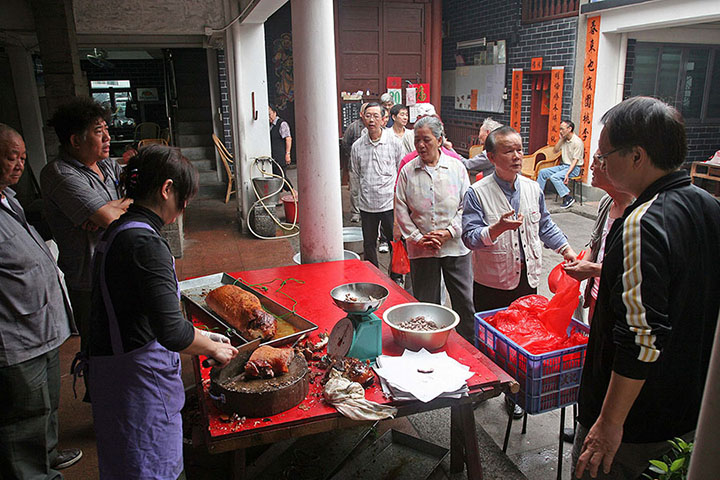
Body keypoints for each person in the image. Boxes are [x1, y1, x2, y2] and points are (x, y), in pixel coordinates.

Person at [572, 97, 720, 480]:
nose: (600, 165)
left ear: (636, 156)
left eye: (604, 157)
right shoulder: (708, 206)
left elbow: (641, 337)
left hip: (635, 426)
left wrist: (608, 425)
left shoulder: (642, 222)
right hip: (687, 410)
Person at [87, 145, 238, 479]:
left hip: (114, 373)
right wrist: (213, 348)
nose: (183, 207)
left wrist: (202, 335)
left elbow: (144, 310)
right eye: (183, 197)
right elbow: (171, 331)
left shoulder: (117, 230)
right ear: (167, 188)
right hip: (139, 386)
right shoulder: (146, 243)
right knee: (151, 469)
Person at [461, 126, 576, 419]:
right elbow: (469, 237)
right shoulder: (477, 193)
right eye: (508, 151)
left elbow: (544, 226)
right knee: (491, 338)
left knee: (522, 341)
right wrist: (496, 228)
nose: (516, 156)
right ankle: (486, 386)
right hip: (492, 280)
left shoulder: (533, 188)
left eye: (519, 149)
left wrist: (566, 250)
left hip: (527, 279)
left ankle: (515, 395)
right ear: (490, 156)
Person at [0, 125, 82, 478]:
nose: (19, 165)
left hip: (42, 328)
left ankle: (46, 456)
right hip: (14, 337)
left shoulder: (9, 199)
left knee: (46, 407)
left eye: (22, 157)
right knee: (23, 420)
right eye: (10, 156)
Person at [41, 97, 131, 352]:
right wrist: (111, 211)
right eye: (98, 132)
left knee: (127, 342)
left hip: (120, 270)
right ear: (75, 140)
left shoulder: (108, 165)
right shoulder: (59, 173)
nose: (108, 138)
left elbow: (143, 199)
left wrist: (112, 208)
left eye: (106, 130)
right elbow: (110, 219)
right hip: (90, 280)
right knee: (100, 351)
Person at [394, 116, 475, 341]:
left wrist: (449, 232)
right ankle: (430, 345)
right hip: (422, 249)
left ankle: (472, 349)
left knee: (464, 303)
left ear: (439, 140)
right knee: (426, 305)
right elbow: (401, 209)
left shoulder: (456, 168)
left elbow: (466, 206)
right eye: (417, 140)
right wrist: (419, 238)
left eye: (426, 140)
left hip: (455, 248)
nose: (421, 145)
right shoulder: (408, 172)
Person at [349, 103, 404, 281]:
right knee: (369, 243)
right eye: (368, 116)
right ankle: (371, 275)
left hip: (389, 202)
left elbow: (400, 169)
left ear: (383, 119)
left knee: (394, 241)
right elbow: (356, 173)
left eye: (375, 116)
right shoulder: (357, 146)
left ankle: (396, 274)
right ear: (363, 118)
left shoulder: (394, 143)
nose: (372, 120)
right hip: (367, 203)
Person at [537, 119, 584, 209]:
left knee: (555, 177)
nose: (560, 131)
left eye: (562, 129)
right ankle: (538, 197)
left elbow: (575, 160)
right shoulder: (564, 139)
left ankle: (567, 197)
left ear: (569, 129)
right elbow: (555, 150)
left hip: (574, 168)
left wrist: (567, 174)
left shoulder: (577, 142)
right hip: (564, 166)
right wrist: (561, 140)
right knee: (542, 172)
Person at [342, 103, 369, 223]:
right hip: (355, 165)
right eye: (367, 114)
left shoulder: (376, 127)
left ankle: (367, 212)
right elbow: (345, 143)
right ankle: (356, 212)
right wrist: (353, 155)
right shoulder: (353, 127)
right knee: (355, 190)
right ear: (361, 114)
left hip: (370, 165)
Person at [268, 104, 293, 191]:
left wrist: (288, 154)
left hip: (280, 155)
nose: (268, 118)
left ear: (274, 112)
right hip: (273, 156)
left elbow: (288, 139)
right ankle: (278, 197)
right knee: (276, 176)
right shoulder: (270, 126)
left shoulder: (282, 124)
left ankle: (293, 191)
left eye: (269, 114)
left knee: (281, 176)